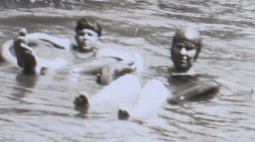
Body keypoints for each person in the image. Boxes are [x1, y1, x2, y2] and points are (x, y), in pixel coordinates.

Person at [73, 26, 223, 119]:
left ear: (197, 53)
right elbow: (127, 78)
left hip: (165, 103)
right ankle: (91, 103)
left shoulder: (200, 79)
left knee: (155, 85)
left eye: (189, 49)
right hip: (145, 98)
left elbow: (213, 86)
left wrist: (176, 98)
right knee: (131, 80)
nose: (183, 52)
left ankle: (135, 114)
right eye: (179, 47)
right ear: (171, 49)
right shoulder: (158, 70)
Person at [0, 18, 141, 80]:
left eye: (90, 35)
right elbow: (44, 36)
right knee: (58, 62)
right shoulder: (69, 45)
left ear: (98, 39)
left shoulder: (101, 51)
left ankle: (33, 65)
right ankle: (33, 63)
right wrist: (25, 38)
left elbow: (130, 56)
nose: (85, 38)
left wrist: (134, 64)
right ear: (75, 36)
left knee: (59, 66)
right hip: (64, 66)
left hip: (81, 71)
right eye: (81, 34)